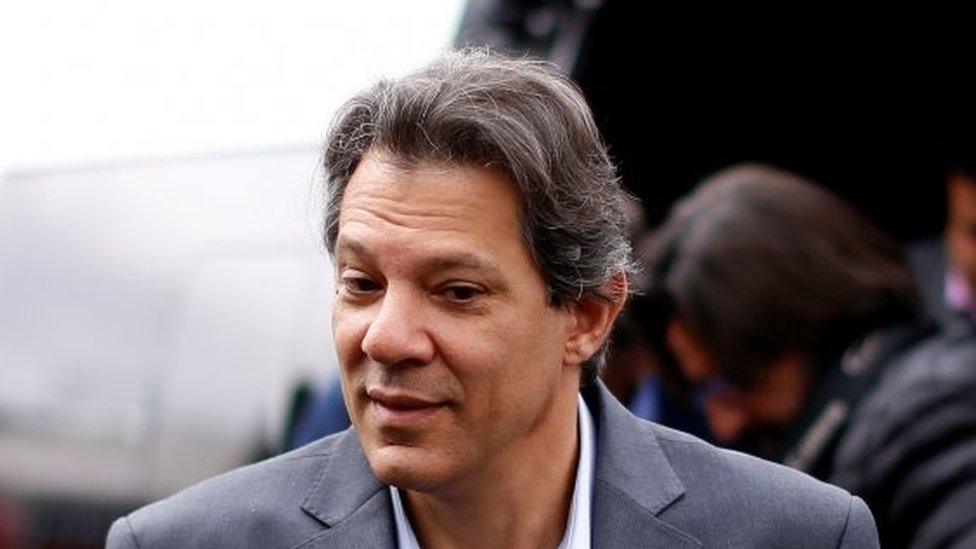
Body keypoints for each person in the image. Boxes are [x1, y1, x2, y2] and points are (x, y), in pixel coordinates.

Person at [106, 51, 877, 548]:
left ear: (587, 315)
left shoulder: (796, 534)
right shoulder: (184, 542)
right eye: (361, 284)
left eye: (457, 291)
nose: (388, 337)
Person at [636, 164, 976, 548]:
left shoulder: (929, 417)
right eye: (702, 392)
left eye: (736, 382)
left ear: (803, 318)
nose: (723, 424)